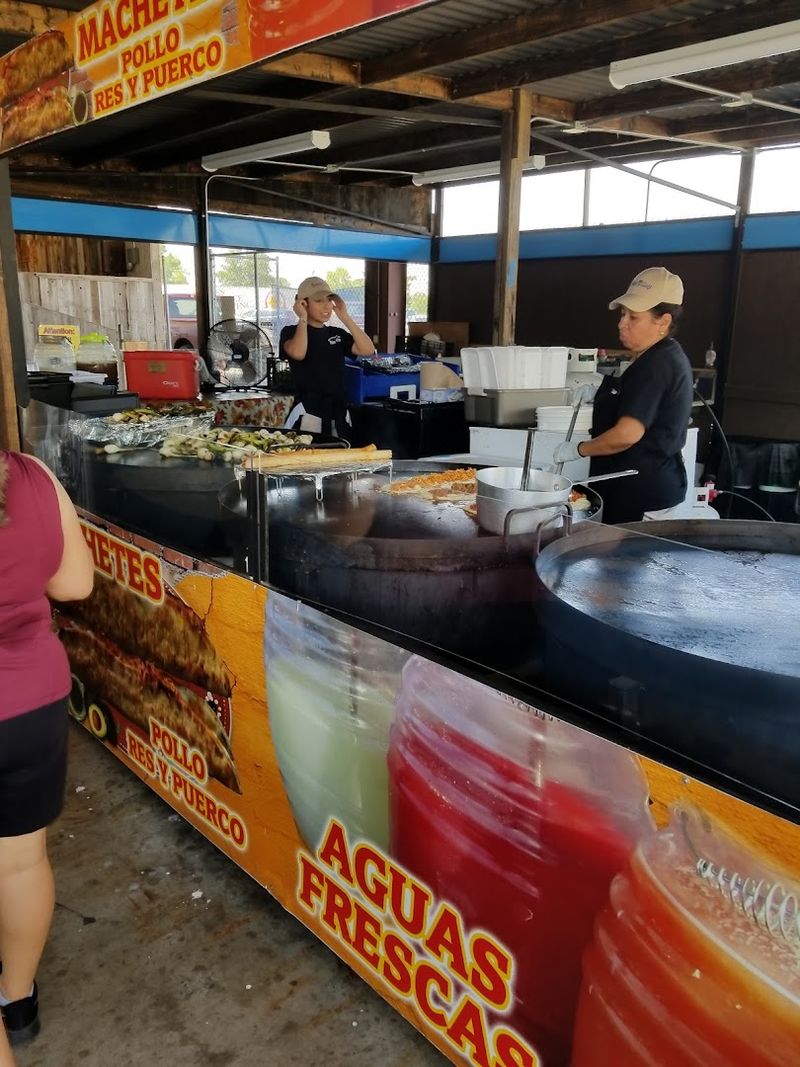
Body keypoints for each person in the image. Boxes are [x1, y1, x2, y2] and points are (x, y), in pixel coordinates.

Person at [0, 450, 94, 1048]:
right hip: (29, 704)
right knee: (20, 862)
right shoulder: (31, 477)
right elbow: (75, 584)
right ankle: (18, 998)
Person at [553, 266, 693, 524]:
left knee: (628, 564)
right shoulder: (659, 357)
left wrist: (579, 449)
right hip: (643, 490)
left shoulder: (656, 364)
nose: (621, 323)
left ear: (663, 322)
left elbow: (627, 434)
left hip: (641, 497)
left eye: (633, 318)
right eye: (622, 314)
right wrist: (602, 391)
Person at [280, 276, 375, 437]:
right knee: (307, 460)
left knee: (340, 460)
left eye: (329, 300)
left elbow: (368, 350)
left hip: (338, 413)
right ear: (303, 303)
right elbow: (298, 353)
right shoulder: (290, 332)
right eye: (318, 300)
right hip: (308, 412)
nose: (326, 306)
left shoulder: (336, 334)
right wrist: (302, 317)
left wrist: (344, 316)